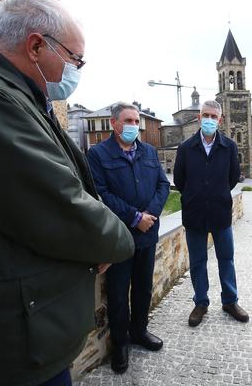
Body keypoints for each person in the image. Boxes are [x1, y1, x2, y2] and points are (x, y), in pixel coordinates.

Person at [0, 0, 135, 386]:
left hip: (30, 331)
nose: (75, 70)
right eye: (74, 58)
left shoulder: (18, 97)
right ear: (37, 46)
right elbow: (58, 203)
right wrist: (114, 242)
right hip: (12, 344)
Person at [87, 102, 170, 374]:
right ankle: (120, 343)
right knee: (119, 293)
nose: (134, 125)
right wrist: (135, 218)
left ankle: (140, 331)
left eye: (137, 121)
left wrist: (150, 214)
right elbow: (101, 193)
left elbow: (162, 184)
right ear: (114, 123)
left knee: (144, 287)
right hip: (119, 237)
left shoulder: (148, 151)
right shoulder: (98, 154)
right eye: (128, 120)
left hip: (148, 235)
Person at [173, 100, 249, 327]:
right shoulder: (186, 147)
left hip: (220, 213)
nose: (209, 119)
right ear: (199, 118)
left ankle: (230, 301)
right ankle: (201, 303)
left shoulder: (229, 146)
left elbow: (233, 177)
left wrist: (216, 193)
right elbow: (179, 180)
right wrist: (196, 195)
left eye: (213, 116)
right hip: (195, 213)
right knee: (198, 261)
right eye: (205, 115)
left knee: (226, 259)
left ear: (220, 120)